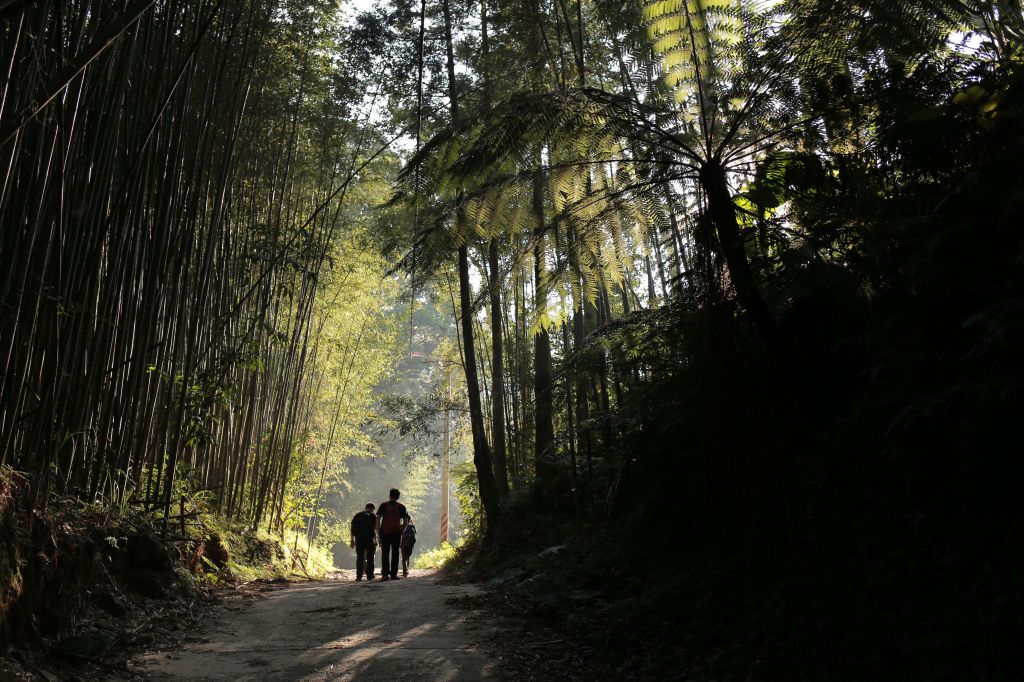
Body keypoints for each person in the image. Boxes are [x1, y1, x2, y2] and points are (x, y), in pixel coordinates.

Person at [375, 488, 409, 581]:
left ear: (389, 495)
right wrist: (402, 530)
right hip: (396, 533)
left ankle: (385, 575)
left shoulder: (383, 505)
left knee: (385, 553)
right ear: (398, 497)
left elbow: (378, 518)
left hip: (384, 533)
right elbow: (406, 520)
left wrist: (378, 530)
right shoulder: (401, 506)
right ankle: (394, 574)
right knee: (395, 553)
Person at [349, 503, 377, 581]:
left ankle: (359, 576)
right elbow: (375, 529)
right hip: (369, 539)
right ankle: (370, 576)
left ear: (365, 508)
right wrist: (376, 540)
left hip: (359, 539)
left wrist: (352, 540)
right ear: (371, 508)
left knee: (360, 558)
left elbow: (352, 528)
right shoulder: (372, 516)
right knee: (370, 557)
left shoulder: (357, 515)